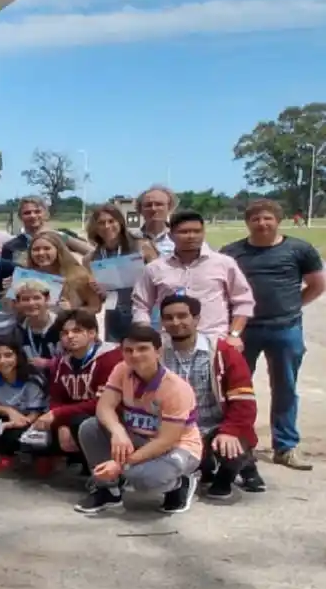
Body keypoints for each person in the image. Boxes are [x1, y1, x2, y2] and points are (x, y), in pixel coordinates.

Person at [221, 198, 325, 471]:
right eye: (255, 219)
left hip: (285, 328)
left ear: (279, 220)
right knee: (236, 388)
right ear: (248, 222)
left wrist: (292, 305)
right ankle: (240, 442)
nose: (262, 223)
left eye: (267, 218)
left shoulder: (299, 249)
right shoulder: (232, 252)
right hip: (244, 330)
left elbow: (316, 285)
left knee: (285, 388)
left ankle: (285, 446)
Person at [76, 325, 203, 516]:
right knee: (90, 427)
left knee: (141, 478)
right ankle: (108, 490)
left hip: (177, 447)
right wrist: (117, 431)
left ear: (158, 352)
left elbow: (166, 440)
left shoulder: (176, 388)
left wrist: (120, 466)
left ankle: (181, 482)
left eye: (143, 349)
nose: (134, 355)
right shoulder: (121, 370)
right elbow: (104, 407)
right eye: (128, 350)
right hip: (139, 437)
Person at [159, 294, 260, 500]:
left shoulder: (222, 352)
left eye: (182, 316)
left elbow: (244, 402)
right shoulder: (156, 353)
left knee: (235, 442)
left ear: (196, 319)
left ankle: (229, 474)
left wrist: (230, 431)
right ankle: (205, 467)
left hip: (217, 426)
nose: (175, 322)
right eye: (168, 318)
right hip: (177, 428)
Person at [132, 211, 254, 342]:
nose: (191, 236)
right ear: (170, 235)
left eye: (197, 231)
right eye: (184, 232)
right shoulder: (155, 268)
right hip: (169, 343)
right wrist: (146, 335)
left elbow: (243, 301)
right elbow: (141, 305)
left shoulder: (224, 263)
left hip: (214, 340)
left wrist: (234, 335)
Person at [25, 310, 123, 473]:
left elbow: (102, 403)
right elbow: (56, 398)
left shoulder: (110, 358)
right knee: (39, 426)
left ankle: (106, 476)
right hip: (73, 416)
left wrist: (59, 415)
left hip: (110, 419)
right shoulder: (61, 363)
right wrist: (61, 423)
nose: (70, 336)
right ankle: (62, 462)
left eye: (77, 331)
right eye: (65, 333)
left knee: (81, 423)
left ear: (92, 333)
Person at [84, 203, 159, 342]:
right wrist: (96, 290)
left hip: (144, 312)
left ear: (121, 222)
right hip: (114, 314)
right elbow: (96, 303)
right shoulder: (91, 258)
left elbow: (161, 279)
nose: (107, 226)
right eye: (101, 223)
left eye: (111, 221)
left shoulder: (141, 246)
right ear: (95, 227)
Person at [0, 339, 49, 474]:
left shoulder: (32, 378)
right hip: (8, 415)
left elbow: (34, 416)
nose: (3, 361)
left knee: (21, 435)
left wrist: (9, 424)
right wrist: (9, 411)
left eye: (8, 355)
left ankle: (42, 457)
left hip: (32, 421)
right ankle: (5, 456)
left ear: (18, 356)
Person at [24, 230, 102, 313]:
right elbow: (16, 311)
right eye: (36, 249)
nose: (41, 253)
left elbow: (95, 307)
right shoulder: (26, 277)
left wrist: (73, 310)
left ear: (58, 250)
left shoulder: (79, 276)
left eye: (47, 248)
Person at [2, 197, 91, 264]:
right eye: (27, 213)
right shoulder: (11, 246)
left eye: (37, 211)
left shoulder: (63, 235)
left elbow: (93, 253)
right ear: (20, 217)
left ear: (46, 214)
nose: (33, 216)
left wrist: (60, 237)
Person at [13, 282, 62, 371]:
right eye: (25, 299)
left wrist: (49, 364)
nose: (31, 303)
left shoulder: (62, 326)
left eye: (36, 298)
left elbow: (77, 359)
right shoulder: (17, 331)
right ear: (18, 303)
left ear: (47, 299)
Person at [136, 184, 176, 257]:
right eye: (148, 205)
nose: (153, 209)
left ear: (169, 207)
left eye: (159, 204)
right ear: (140, 209)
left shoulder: (180, 239)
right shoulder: (131, 241)